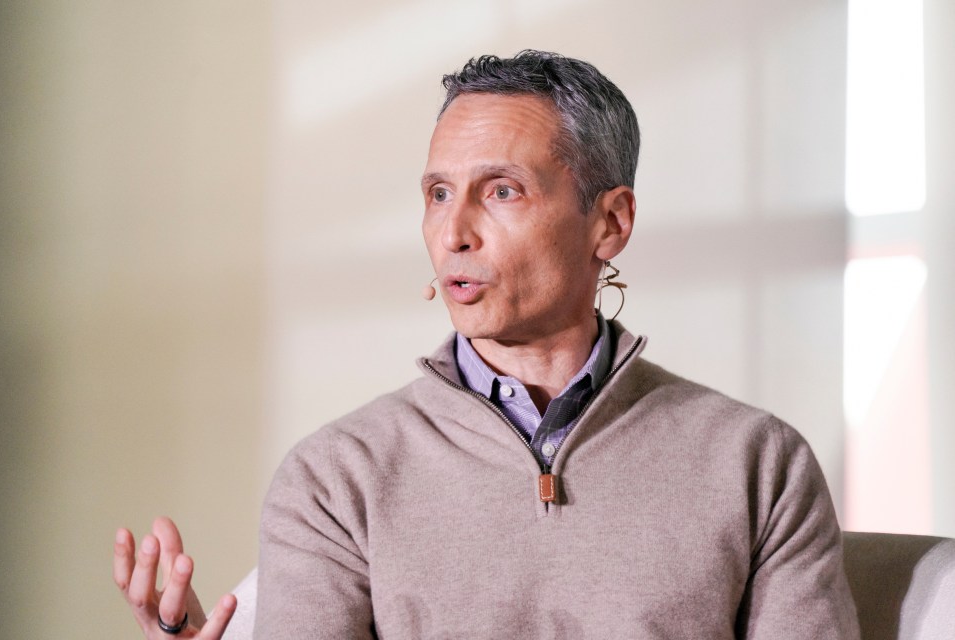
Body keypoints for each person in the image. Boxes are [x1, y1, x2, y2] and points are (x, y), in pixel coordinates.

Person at [114, 50, 860, 639]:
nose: (453, 232)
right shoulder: (335, 478)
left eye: (500, 190)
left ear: (609, 222)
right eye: (438, 193)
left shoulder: (756, 463)